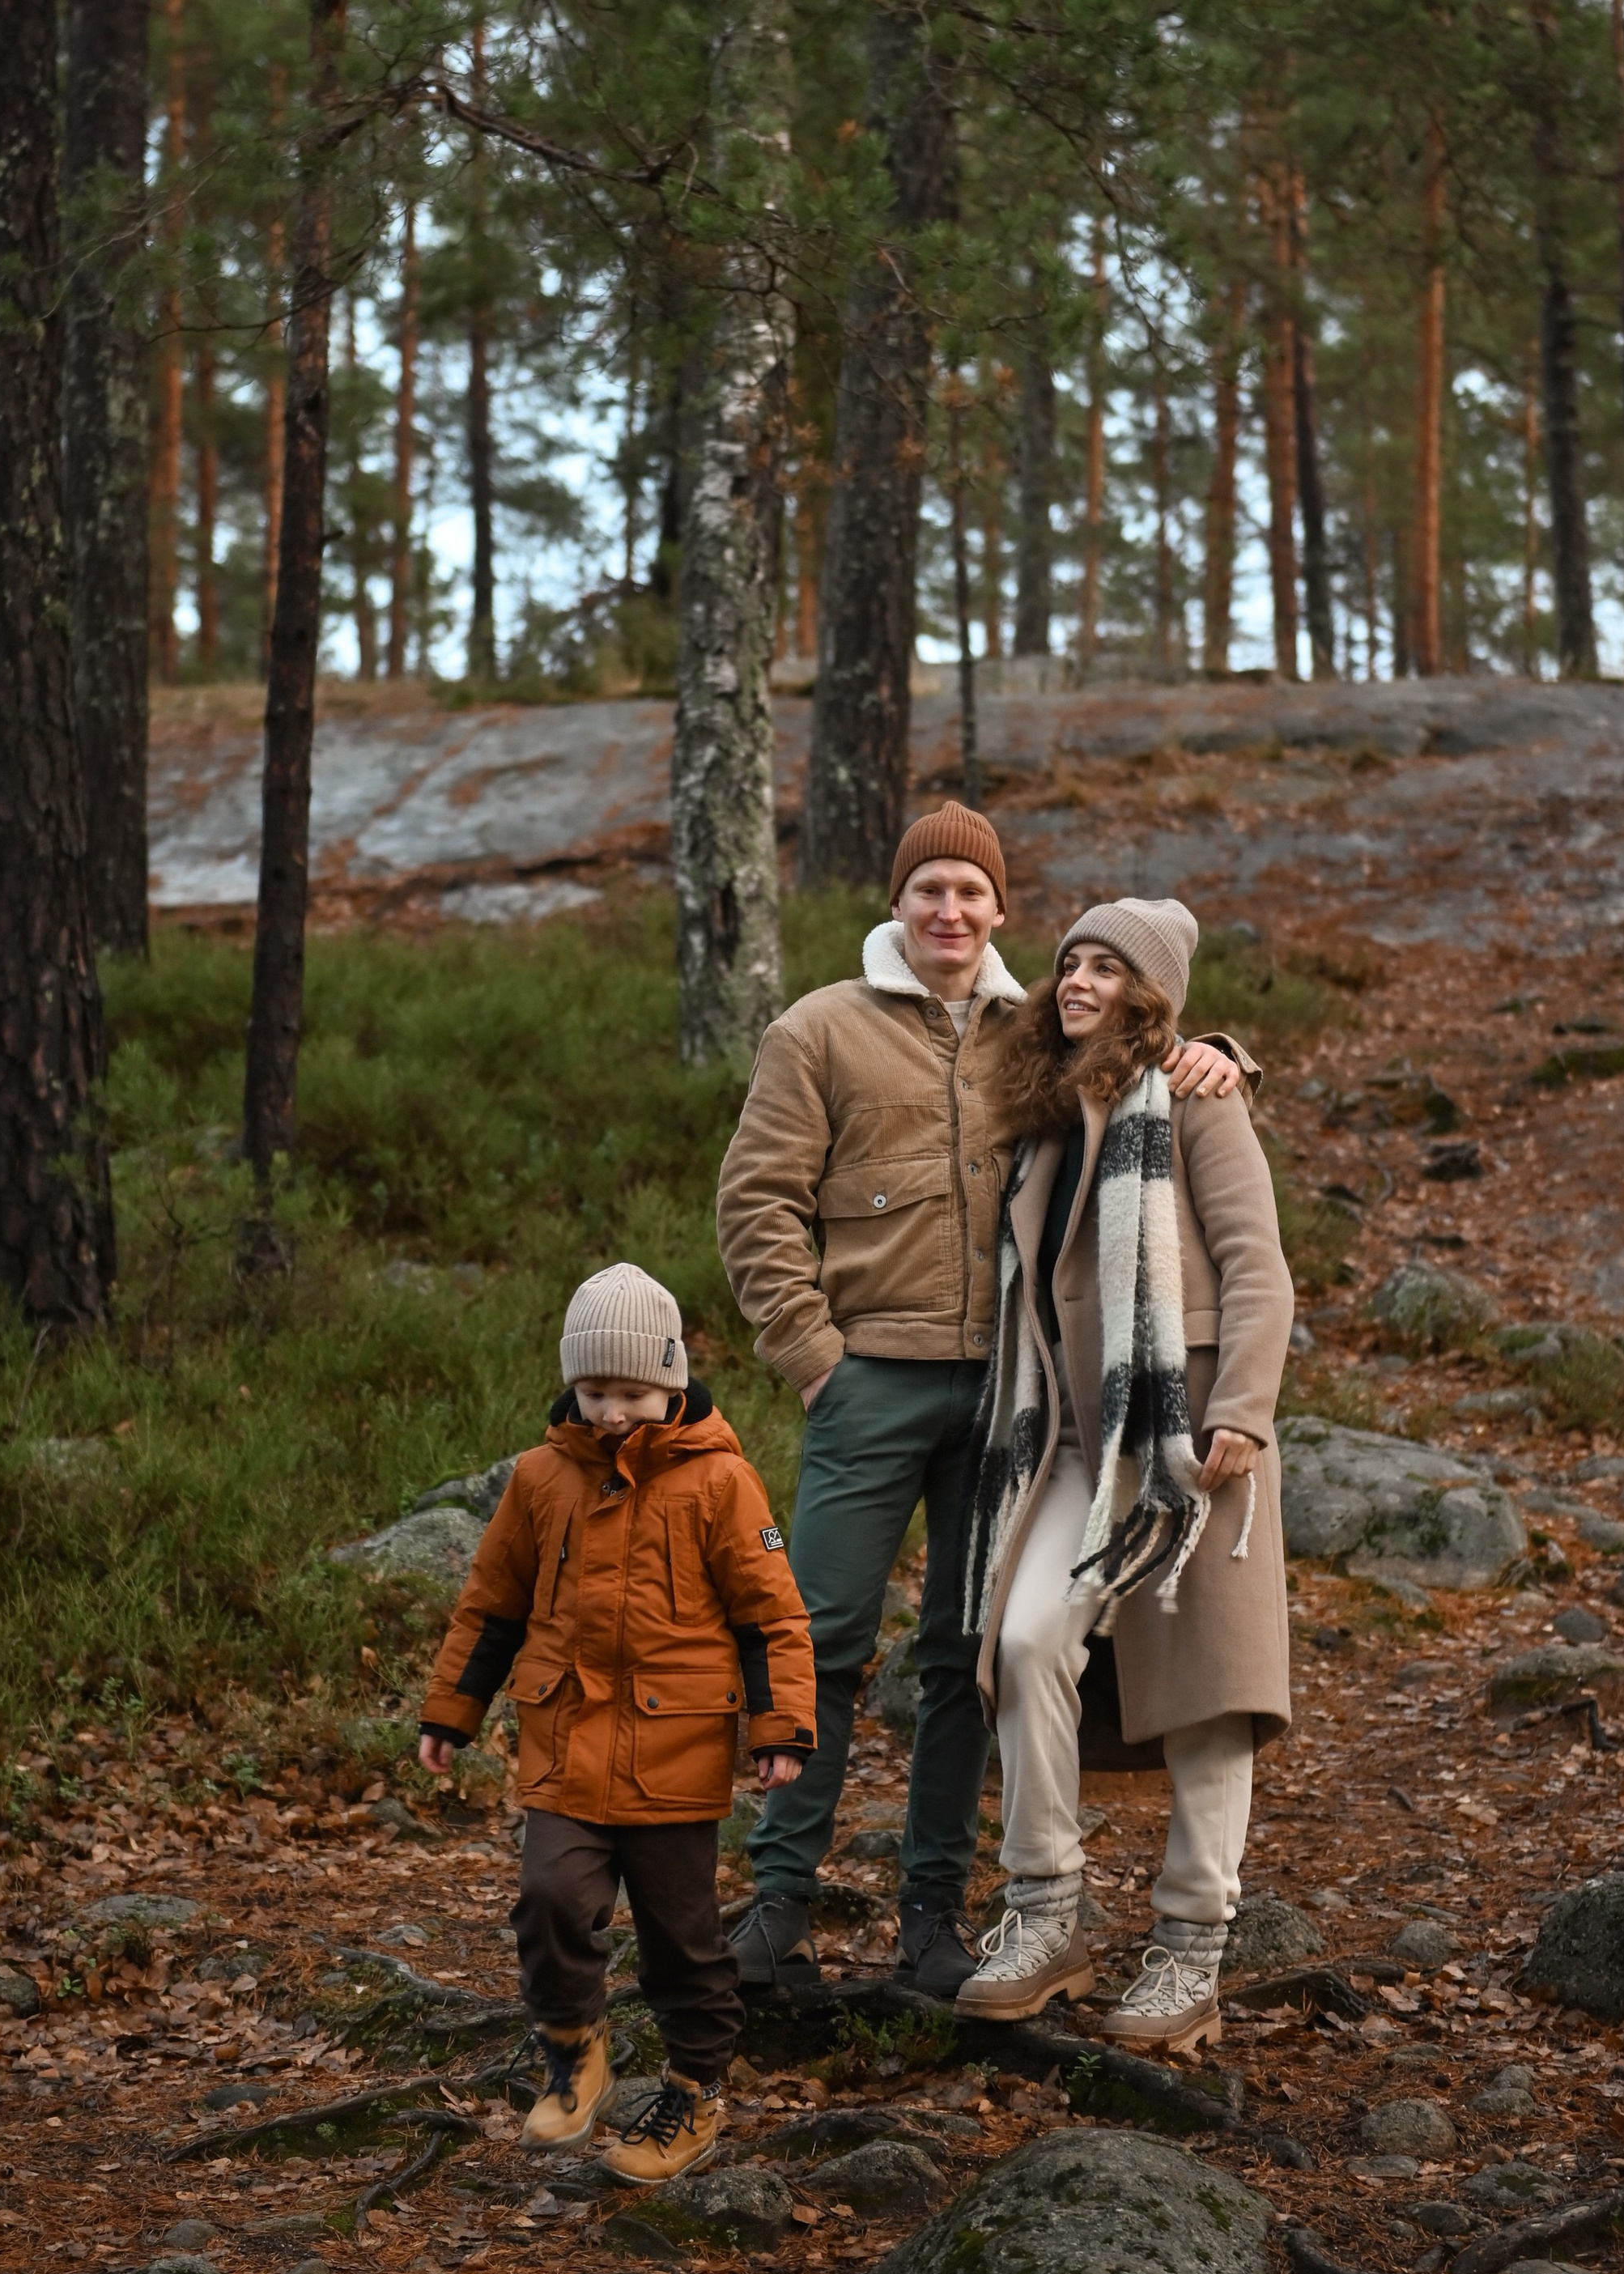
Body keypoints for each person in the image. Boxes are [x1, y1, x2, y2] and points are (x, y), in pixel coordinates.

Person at [716, 806, 1246, 1996]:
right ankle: (780, 1900)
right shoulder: (819, 1030)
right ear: (896, 904)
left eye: (971, 892)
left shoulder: (1039, 1030)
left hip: (1013, 1405)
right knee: (819, 1640)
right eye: (928, 891)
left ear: (1001, 909)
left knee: (964, 1654)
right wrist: (815, 1359)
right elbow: (755, 1207)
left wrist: (1222, 1049)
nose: (949, 911)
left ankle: (930, 1917)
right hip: (868, 1387)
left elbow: (1146, 1056)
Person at [955, 897, 1293, 2053]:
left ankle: (1192, 1950)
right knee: (1027, 1642)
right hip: (1066, 1448)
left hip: (1186, 1440)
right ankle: (1047, 1911)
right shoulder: (1043, 1107)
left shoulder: (1199, 1100)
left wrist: (1241, 1410)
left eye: (1107, 967)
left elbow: (1258, 1269)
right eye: (1070, 964)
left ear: (1149, 993)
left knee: (1207, 1705)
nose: (1080, 980)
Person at [416, 1262, 814, 2185]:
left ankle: (695, 2086)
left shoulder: (720, 1482)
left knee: (684, 1936)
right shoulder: (539, 1478)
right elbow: (490, 1606)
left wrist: (779, 1726)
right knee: (550, 1897)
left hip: (673, 1756)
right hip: (564, 1746)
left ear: (672, 1383)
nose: (610, 1411)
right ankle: (573, 2046)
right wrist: (451, 1713)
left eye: (632, 1391)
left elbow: (771, 1616)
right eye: (594, 1390)